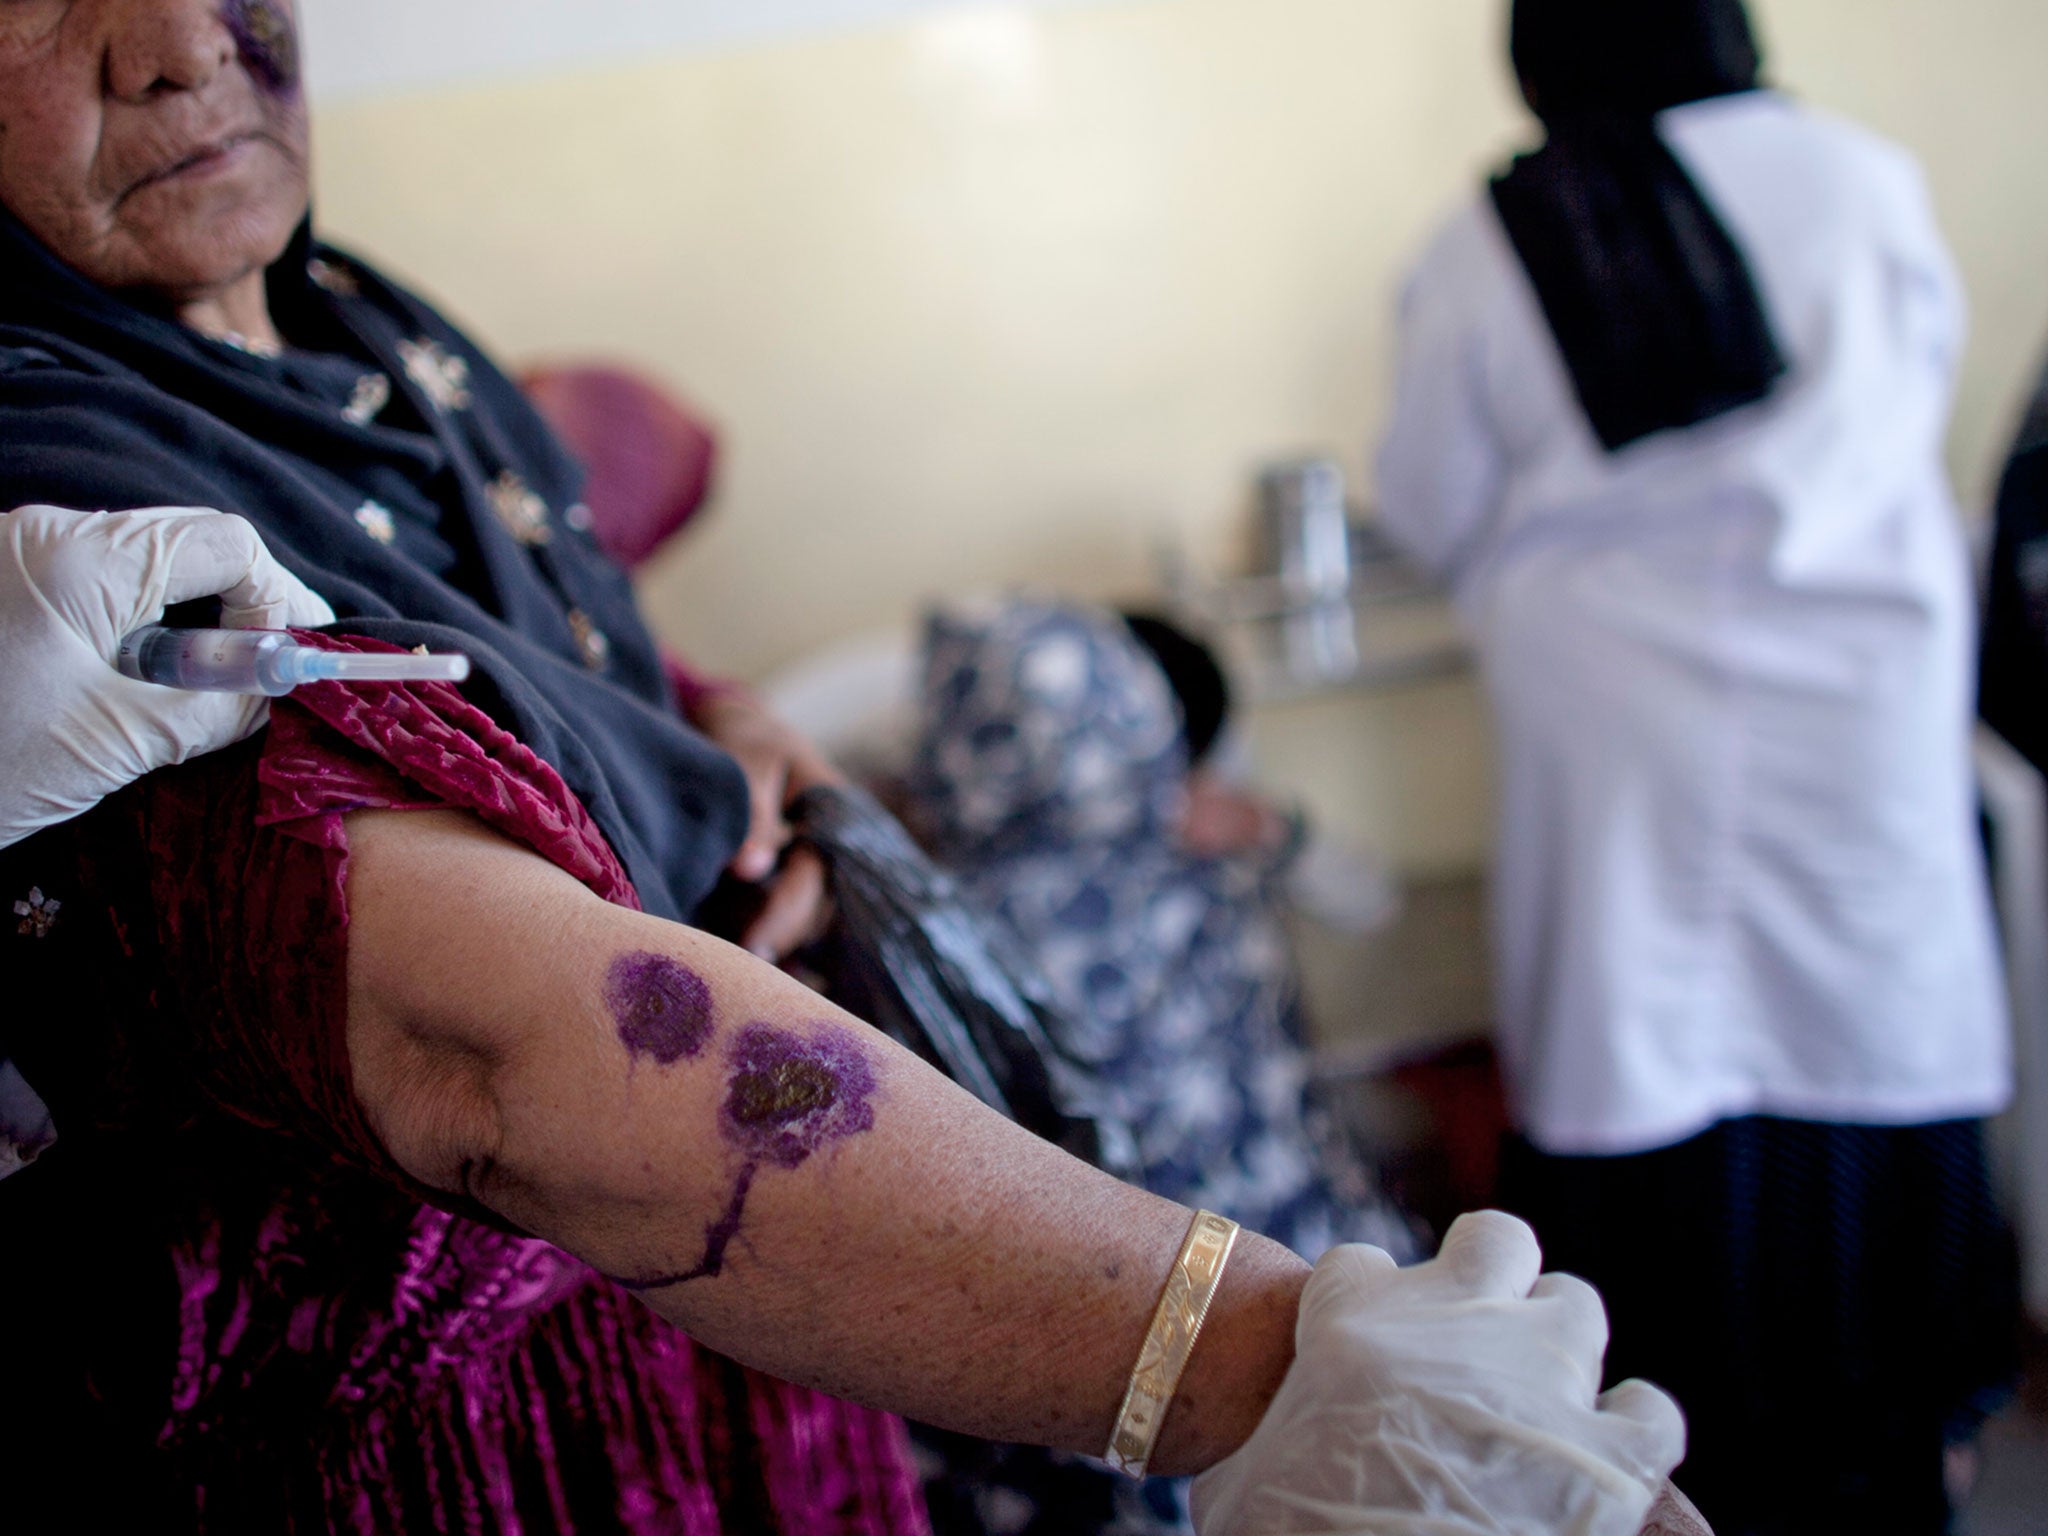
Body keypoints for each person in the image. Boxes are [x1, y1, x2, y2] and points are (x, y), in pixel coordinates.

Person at [0, 3, 1692, 1533]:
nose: (175, 40)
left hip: (732, 1363)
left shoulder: (351, 322)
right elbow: (485, 1045)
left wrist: (704, 718)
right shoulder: (67, 529)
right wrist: (1262, 1362)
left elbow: (495, 634)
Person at [1374, 2, 2015, 1532]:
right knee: (1861, 1030)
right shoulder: (1863, 180)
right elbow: (1917, 395)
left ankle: (1666, 1454)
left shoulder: (1493, 234)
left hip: (1617, 704)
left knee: (1640, 1040)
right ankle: (1901, 1441)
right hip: (1856, 691)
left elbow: (1429, 497)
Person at [903, 596, 1417, 1536]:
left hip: (1099, 1327)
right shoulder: (1198, 860)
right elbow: (1371, 899)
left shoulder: (927, 918)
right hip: (1299, 1276)